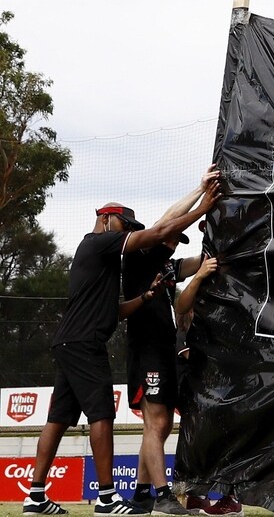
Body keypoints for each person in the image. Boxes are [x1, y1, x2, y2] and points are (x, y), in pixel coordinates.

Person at [22, 186, 218, 516]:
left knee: (58, 419)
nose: (171, 244)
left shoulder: (125, 265)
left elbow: (116, 310)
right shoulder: (111, 247)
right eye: (125, 225)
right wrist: (203, 199)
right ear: (108, 219)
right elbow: (163, 224)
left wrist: (147, 296)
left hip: (77, 341)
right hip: (95, 345)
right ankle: (110, 497)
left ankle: (36, 496)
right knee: (105, 416)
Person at [124, 169, 220, 515]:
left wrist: (216, 251)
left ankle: (140, 496)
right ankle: (163, 496)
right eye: (169, 239)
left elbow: (200, 263)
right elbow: (166, 220)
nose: (171, 243)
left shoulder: (165, 266)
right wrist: (200, 190)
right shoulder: (137, 258)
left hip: (164, 351)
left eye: (176, 242)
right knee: (158, 422)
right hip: (146, 350)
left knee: (160, 425)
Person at [172, 250, 245, 517]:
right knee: (196, 433)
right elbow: (181, 308)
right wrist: (200, 274)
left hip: (229, 369)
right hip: (200, 375)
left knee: (228, 431)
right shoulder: (202, 281)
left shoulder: (241, 283)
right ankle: (195, 494)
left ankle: (231, 497)